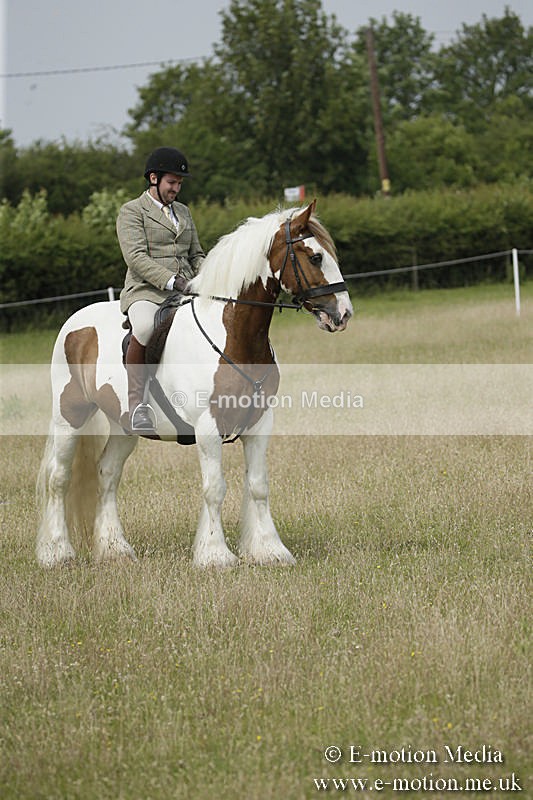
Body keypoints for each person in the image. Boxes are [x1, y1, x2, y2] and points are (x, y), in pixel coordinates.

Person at [116, 146, 205, 433]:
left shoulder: (184, 211)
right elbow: (136, 258)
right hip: (147, 291)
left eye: (179, 183)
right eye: (172, 183)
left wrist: (209, 276)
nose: (176, 189)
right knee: (143, 327)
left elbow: (196, 254)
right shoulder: (131, 211)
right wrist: (173, 280)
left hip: (188, 289)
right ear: (153, 179)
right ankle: (137, 406)